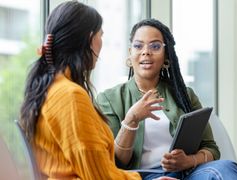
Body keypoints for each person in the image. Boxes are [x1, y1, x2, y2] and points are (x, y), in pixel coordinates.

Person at [19, 2, 176, 180]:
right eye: (101, 35)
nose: (102, 42)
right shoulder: (69, 96)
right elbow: (99, 176)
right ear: (90, 39)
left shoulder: (54, 88)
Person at [96, 18, 237, 180]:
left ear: (166, 56)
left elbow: (211, 148)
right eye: (138, 46)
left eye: (155, 46)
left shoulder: (185, 95)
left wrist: (188, 161)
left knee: (227, 168)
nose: (146, 51)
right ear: (130, 54)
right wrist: (131, 120)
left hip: (187, 173)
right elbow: (116, 162)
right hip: (141, 176)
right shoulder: (109, 99)